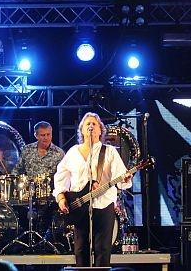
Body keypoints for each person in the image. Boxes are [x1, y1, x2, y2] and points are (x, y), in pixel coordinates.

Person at [53, 112, 133, 266]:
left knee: (102, 250)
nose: (90, 126)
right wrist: (61, 197)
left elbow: (121, 178)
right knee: (80, 249)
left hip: (104, 204)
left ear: (100, 130)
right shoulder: (73, 152)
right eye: (87, 124)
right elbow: (60, 177)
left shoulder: (109, 151)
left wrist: (126, 178)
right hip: (79, 206)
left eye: (94, 124)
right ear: (82, 130)